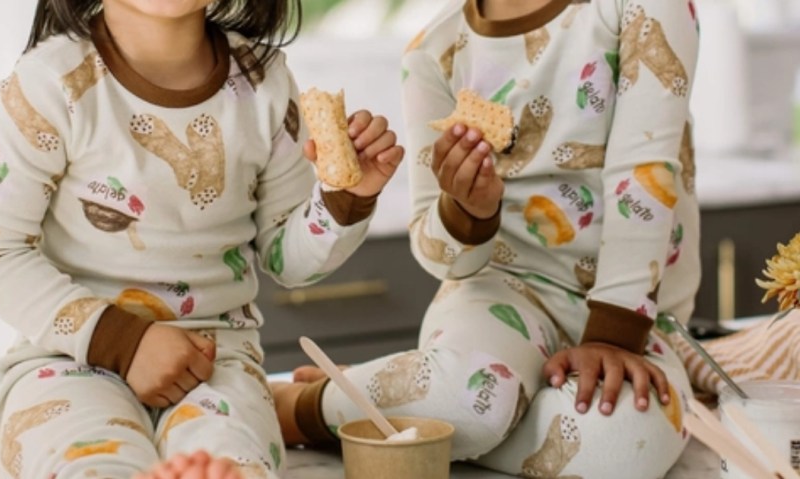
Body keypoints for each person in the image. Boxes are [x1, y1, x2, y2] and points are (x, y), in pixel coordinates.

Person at [0, 0, 404, 478]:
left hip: (217, 363)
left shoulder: (264, 80)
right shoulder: (50, 80)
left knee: (233, 463)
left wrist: (344, 199)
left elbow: (287, 259)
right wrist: (124, 343)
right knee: (88, 464)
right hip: (66, 362)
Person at [272, 0, 703, 477]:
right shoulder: (432, 55)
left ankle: (392, 401)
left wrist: (614, 337)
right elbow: (440, 258)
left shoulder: (643, 8)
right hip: (498, 295)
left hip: (635, 317)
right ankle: (302, 409)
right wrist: (467, 212)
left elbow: (643, 171)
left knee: (623, 446)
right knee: (472, 397)